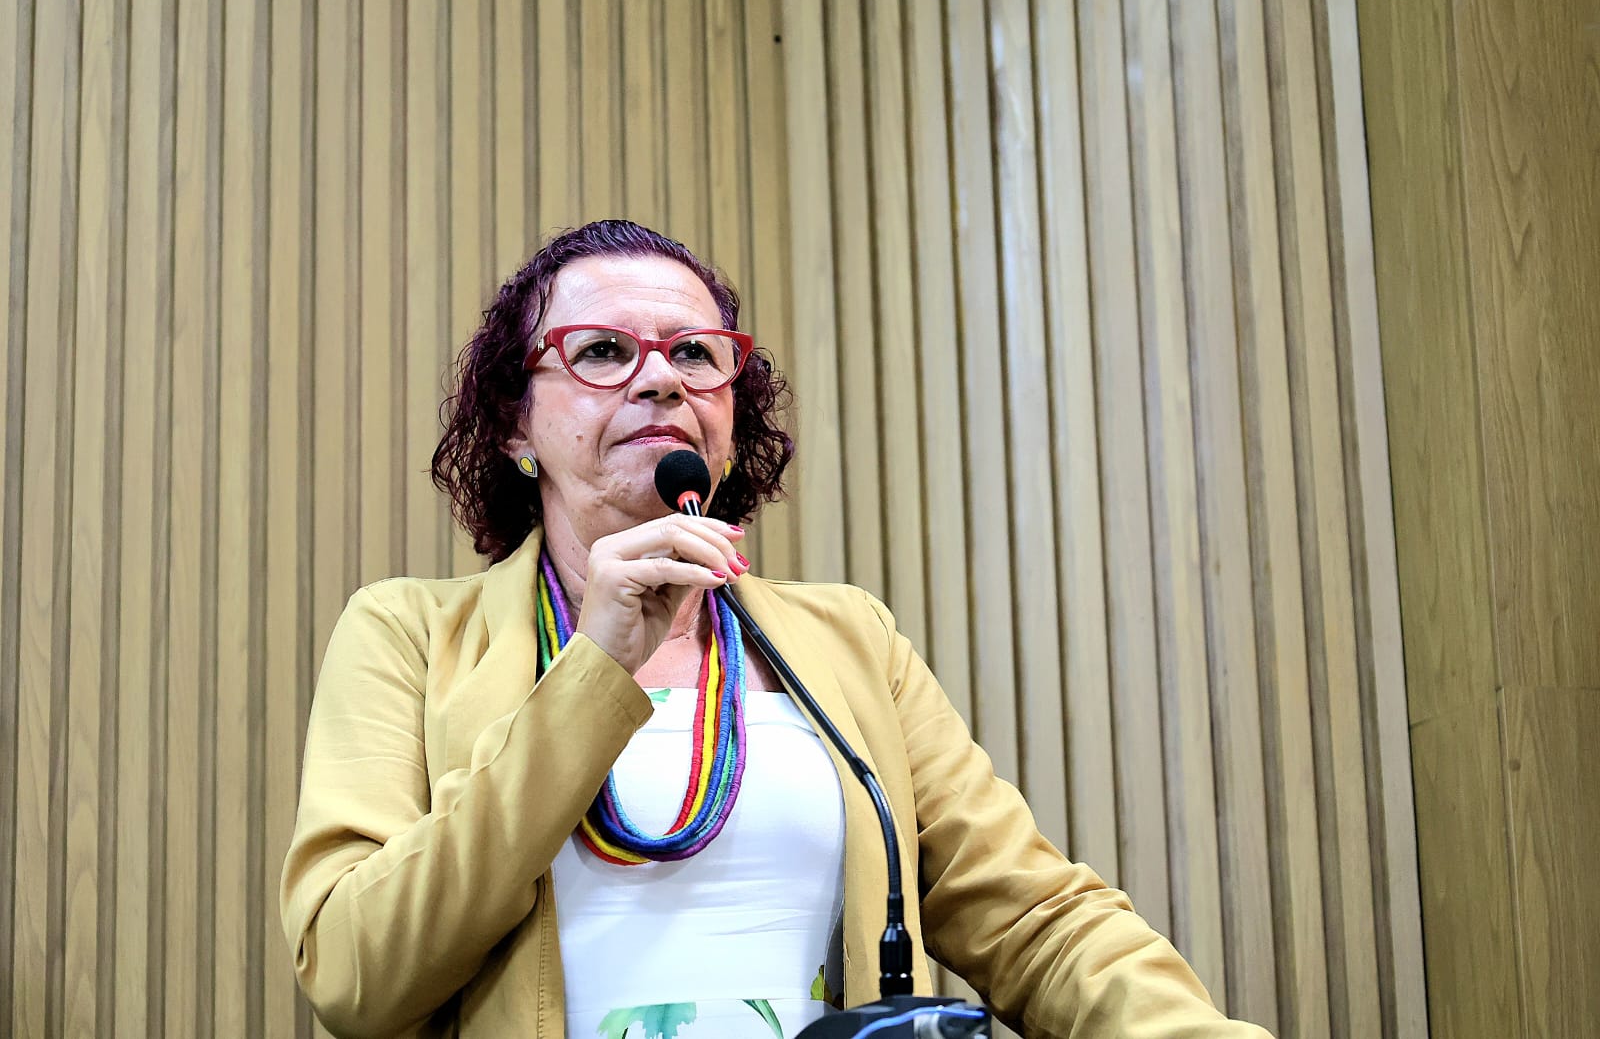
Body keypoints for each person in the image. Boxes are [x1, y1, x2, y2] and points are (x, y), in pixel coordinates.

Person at [280, 219, 1271, 1039]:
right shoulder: (406, 633)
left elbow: (1035, 920)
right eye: (602, 352)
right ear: (513, 422)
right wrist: (595, 670)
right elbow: (356, 973)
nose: (662, 381)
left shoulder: (847, 637)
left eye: (695, 355)